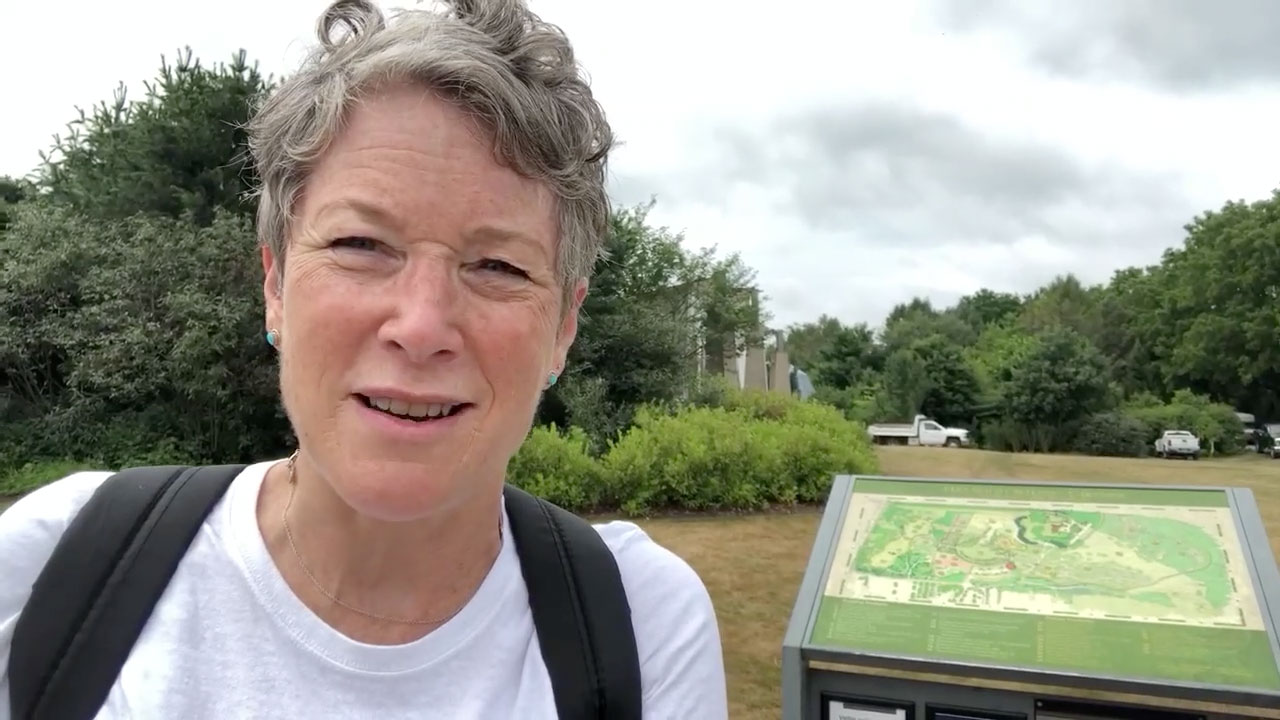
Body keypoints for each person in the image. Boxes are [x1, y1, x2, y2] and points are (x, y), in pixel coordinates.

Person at [0, 0, 728, 717]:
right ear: (276, 285)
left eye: (499, 266)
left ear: (564, 325)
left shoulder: (641, 628)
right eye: (361, 245)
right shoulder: (57, 569)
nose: (420, 326)